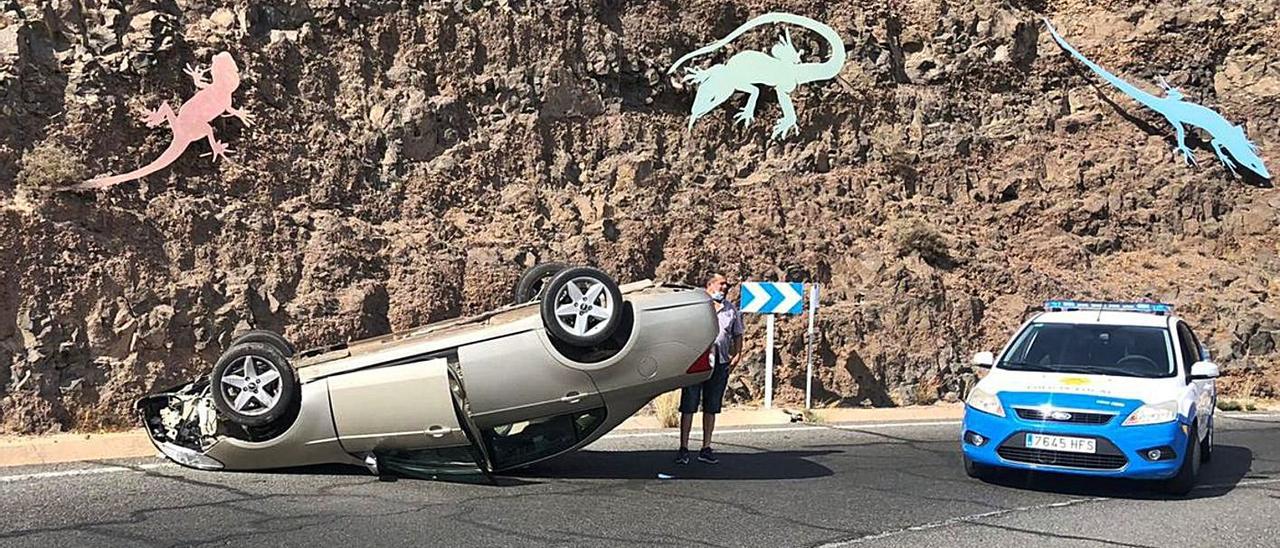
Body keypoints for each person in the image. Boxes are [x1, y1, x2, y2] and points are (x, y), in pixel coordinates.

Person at [676, 273, 744, 465]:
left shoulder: (731, 310)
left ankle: (706, 447)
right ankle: (683, 448)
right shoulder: (698, 306)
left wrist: (738, 354)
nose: (725, 288)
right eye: (721, 284)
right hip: (697, 362)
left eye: (727, 286)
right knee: (689, 405)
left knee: (711, 406)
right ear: (710, 285)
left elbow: (738, 334)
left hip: (721, 363)